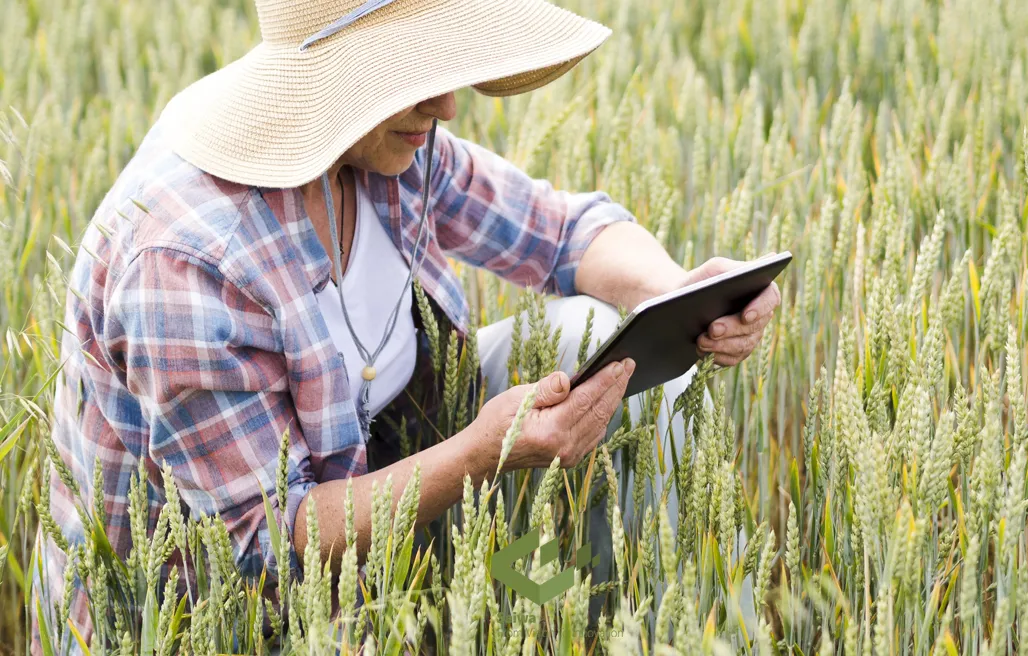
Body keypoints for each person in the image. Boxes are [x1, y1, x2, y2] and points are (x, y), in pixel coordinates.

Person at [37, 0, 780, 645]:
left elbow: (558, 232)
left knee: (593, 340)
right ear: (334, 83)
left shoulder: (385, 144)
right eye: (414, 77)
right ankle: (519, 615)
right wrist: (480, 456)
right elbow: (268, 542)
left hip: (382, 472)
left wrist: (681, 291)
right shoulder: (192, 264)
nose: (449, 106)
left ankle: (627, 628)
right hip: (217, 612)